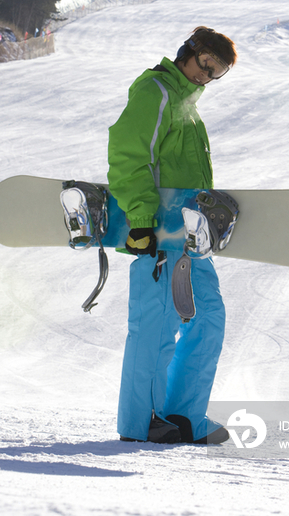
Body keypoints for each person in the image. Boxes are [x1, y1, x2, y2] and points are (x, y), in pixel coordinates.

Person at [107, 26, 237, 444]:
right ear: (188, 52)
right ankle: (140, 422)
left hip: (190, 237)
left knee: (209, 318)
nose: (207, 77)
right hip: (157, 234)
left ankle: (182, 416)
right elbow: (128, 156)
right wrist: (142, 221)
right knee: (154, 325)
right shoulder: (156, 92)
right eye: (205, 66)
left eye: (215, 74)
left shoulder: (188, 108)